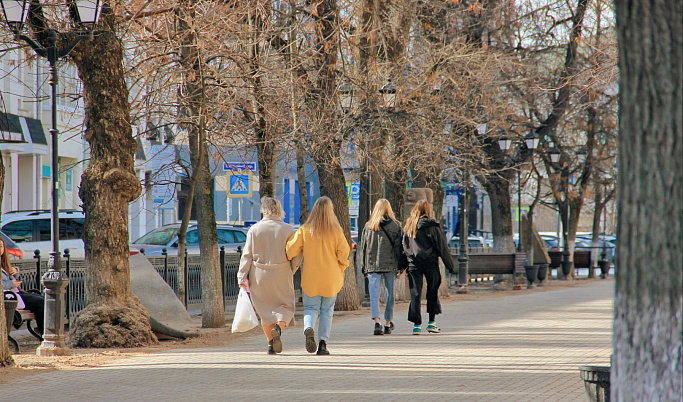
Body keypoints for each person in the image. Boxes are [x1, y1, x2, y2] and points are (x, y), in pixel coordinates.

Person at [237, 197, 303, 355]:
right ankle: (278, 329)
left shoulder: (254, 229)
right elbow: (296, 254)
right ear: (279, 209)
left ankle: (270, 344)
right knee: (286, 306)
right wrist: (290, 270)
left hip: (259, 274)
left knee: (264, 311)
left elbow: (247, 255)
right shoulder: (288, 229)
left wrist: (241, 276)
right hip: (281, 272)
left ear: (263, 210)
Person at [286, 196, 350, 355]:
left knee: (310, 308)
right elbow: (344, 253)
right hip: (331, 277)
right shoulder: (336, 231)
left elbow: (291, 250)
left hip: (311, 277)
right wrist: (341, 267)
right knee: (327, 311)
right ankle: (322, 344)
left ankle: (308, 328)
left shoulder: (305, 230)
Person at [401, 199, 454, 335]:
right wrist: (451, 266)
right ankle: (432, 323)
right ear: (428, 210)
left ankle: (416, 326)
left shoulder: (409, 227)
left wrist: (403, 266)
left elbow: (403, 247)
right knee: (432, 291)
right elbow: (442, 247)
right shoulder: (433, 227)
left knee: (415, 294)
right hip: (431, 263)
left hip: (414, 264)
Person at [356, 198, 405, 336]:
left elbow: (364, 249)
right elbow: (399, 249)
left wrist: (364, 267)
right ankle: (388, 323)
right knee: (390, 295)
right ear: (389, 209)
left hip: (372, 265)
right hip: (390, 264)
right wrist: (400, 268)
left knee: (374, 295)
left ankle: (377, 323)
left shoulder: (369, 226)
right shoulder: (396, 226)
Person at [1, 238, 44, 336]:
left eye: (2, 246)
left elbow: (9, 277)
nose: (1, 249)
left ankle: (47, 334)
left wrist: (15, 271)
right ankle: (45, 335)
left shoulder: (3, 262)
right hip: (8, 297)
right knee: (40, 303)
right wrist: (12, 284)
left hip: (15, 294)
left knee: (43, 299)